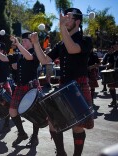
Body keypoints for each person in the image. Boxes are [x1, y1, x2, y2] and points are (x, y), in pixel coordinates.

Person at [30, 8, 94, 156]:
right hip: (64, 85)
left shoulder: (86, 40)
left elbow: (72, 49)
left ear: (77, 21)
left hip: (78, 85)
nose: (65, 20)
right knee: (53, 123)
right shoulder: (60, 44)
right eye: (64, 18)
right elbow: (45, 60)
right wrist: (36, 44)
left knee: (77, 127)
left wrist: (62, 27)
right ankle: (61, 153)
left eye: (68, 18)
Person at [9, 32, 41, 147]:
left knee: (34, 112)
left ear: (31, 41)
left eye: (25, 41)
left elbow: (30, 57)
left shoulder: (36, 52)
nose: (23, 43)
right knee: (12, 110)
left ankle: (35, 136)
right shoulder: (21, 55)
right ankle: (22, 133)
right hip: (20, 86)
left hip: (31, 86)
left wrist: (18, 44)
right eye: (22, 41)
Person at [106, 40, 118, 107]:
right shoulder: (113, 54)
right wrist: (107, 66)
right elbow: (110, 63)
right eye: (114, 46)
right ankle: (114, 101)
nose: (115, 46)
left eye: (116, 45)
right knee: (111, 87)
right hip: (113, 73)